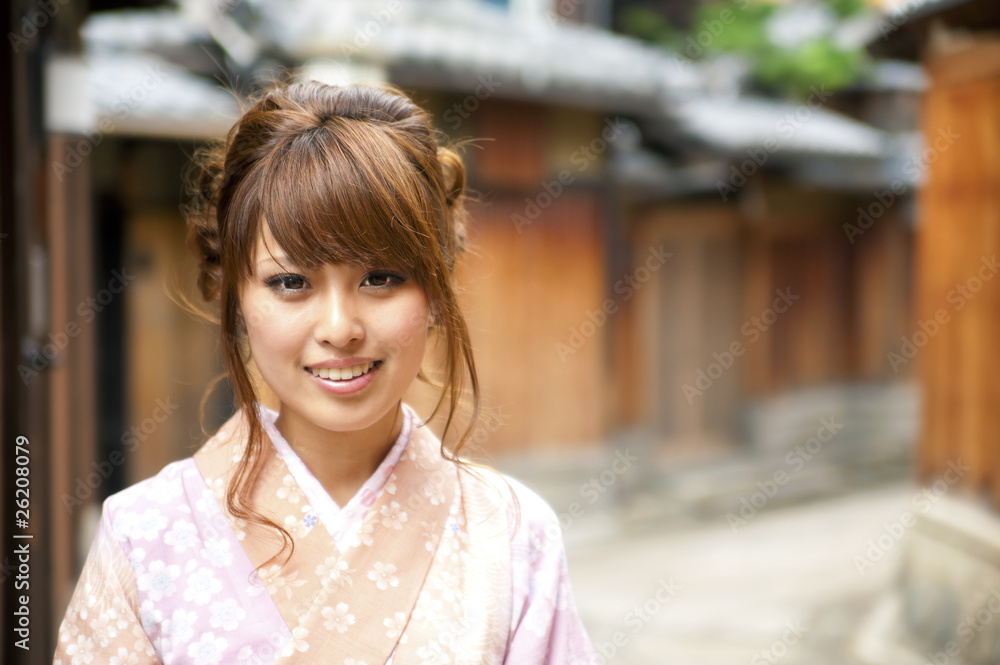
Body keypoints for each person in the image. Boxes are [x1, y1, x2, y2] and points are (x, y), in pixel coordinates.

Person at [53, 79, 599, 664]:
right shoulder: (146, 534)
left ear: (436, 290)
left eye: (381, 277)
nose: (340, 327)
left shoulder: (512, 533)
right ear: (236, 297)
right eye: (291, 282)